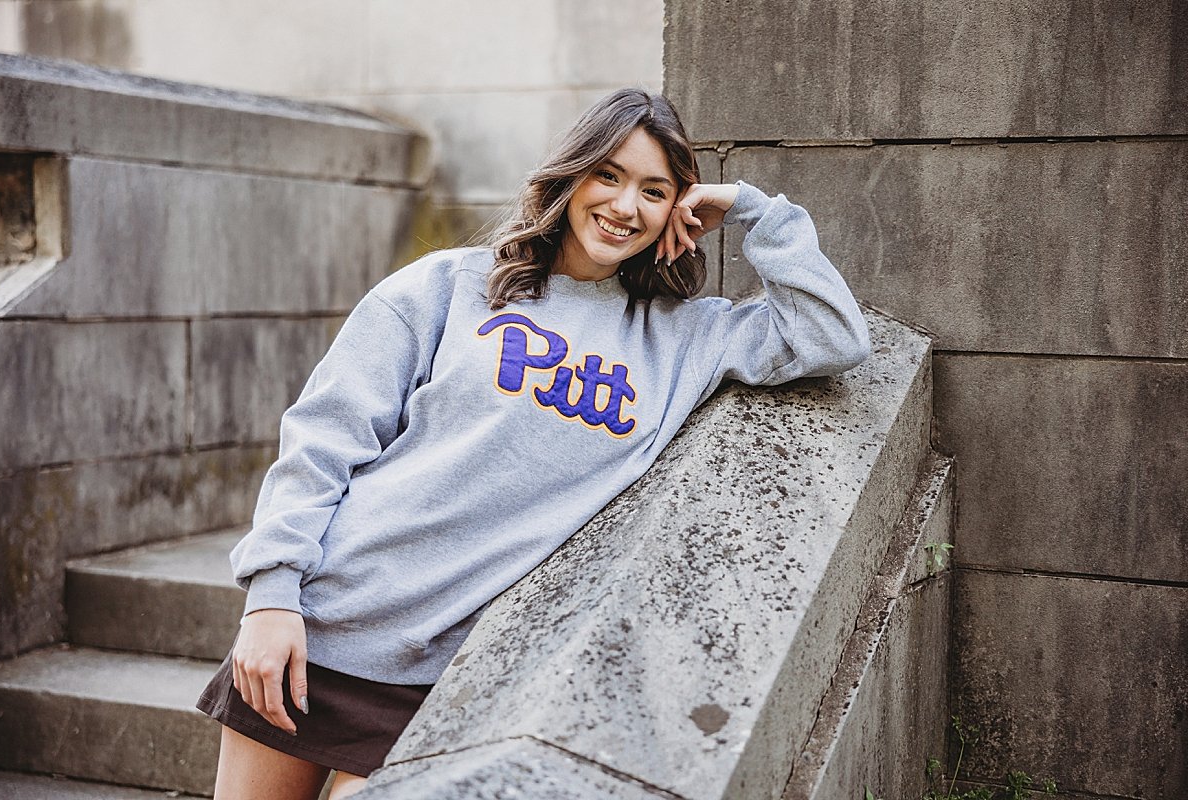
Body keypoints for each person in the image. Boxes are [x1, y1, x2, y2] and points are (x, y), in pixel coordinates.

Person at [195, 87, 870, 800]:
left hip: (447, 678)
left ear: (679, 207)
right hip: (321, 629)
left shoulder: (685, 337)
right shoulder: (446, 287)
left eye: (654, 189)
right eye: (607, 175)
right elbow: (323, 441)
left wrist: (752, 208)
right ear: (570, 176)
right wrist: (271, 598)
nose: (623, 205)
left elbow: (832, 335)